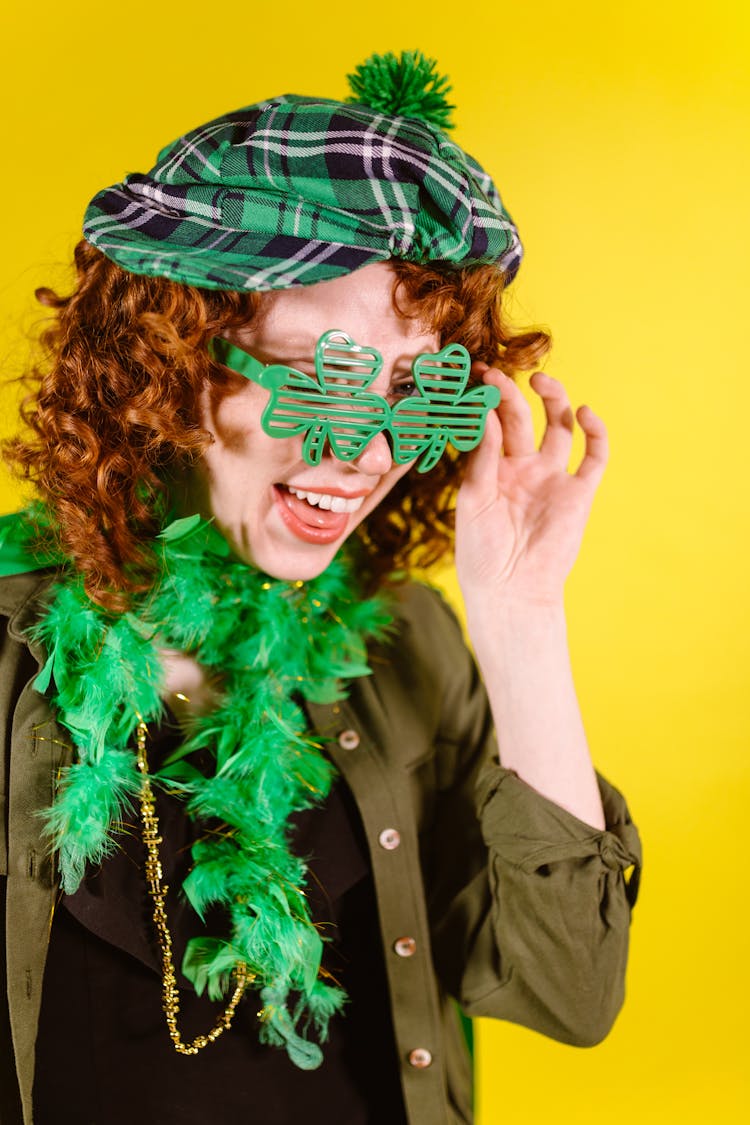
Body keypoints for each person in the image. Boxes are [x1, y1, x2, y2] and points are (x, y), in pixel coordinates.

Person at [0, 51, 641, 1125]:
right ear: (160, 366)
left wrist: (522, 621)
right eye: (314, 375)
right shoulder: (13, 648)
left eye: (411, 388)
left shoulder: (411, 650)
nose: (364, 448)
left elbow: (569, 993)